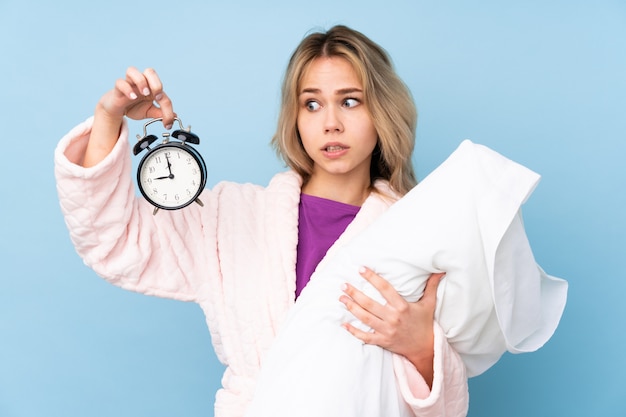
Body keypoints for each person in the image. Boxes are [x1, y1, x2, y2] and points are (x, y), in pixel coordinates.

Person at [55, 25, 470, 416]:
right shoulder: (231, 218)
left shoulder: (416, 233)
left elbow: (446, 408)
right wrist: (109, 117)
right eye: (312, 103)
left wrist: (421, 347)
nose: (330, 123)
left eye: (350, 101)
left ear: (381, 111)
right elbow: (115, 243)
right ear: (295, 117)